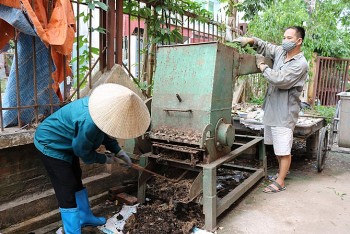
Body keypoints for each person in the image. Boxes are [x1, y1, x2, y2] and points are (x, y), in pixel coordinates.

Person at [34, 83, 151, 233]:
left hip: (68, 142)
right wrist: (108, 160)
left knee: (76, 178)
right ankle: (72, 230)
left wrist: (118, 151)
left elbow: (105, 134)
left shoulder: (102, 112)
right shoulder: (88, 121)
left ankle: (84, 217)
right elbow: (82, 152)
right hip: (51, 144)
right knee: (67, 186)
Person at [233, 26, 309, 193]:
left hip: (284, 111)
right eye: (284, 37)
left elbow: (280, 80)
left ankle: (280, 181)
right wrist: (250, 40)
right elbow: (266, 46)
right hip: (272, 108)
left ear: (299, 41)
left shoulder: (300, 64)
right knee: (276, 146)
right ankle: (282, 173)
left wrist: (262, 67)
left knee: (284, 149)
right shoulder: (281, 52)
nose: (284, 41)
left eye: (289, 38)